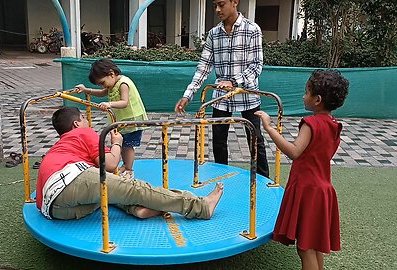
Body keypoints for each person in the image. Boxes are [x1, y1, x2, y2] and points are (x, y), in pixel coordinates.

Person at [36, 107, 224, 221]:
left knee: (108, 192)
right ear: (77, 124)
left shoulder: (60, 146)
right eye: (84, 118)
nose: (88, 121)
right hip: (69, 180)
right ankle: (200, 207)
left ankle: (137, 209)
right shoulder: (82, 133)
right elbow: (110, 164)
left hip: (55, 209)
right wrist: (116, 142)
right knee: (135, 189)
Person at [255, 69, 349, 270]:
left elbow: (295, 151)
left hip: (308, 190)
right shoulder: (334, 125)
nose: (303, 96)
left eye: (307, 92)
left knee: (304, 248)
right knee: (314, 245)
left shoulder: (311, 123)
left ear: (317, 100)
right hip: (323, 190)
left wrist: (269, 128)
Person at [174, 0, 269, 178]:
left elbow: (256, 66)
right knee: (218, 140)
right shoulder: (214, 34)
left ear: (234, 2)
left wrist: (234, 82)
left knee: (255, 140)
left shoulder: (252, 29)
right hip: (221, 97)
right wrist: (188, 95)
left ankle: (265, 181)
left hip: (247, 95)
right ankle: (221, 180)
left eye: (221, 4)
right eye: (215, 5)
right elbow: (203, 67)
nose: (217, 9)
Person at [76, 59, 148, 180]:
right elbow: (102, 93)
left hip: (131, 119)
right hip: (122, 120)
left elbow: (124, 102)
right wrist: (86, 90)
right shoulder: (112, 83)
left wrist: (110, 104)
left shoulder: (123, 83)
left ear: (111, 74)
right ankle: (125, 166)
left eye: (102, 82)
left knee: (128, 145)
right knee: (122, 143)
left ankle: (129, 169)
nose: (103, 86)